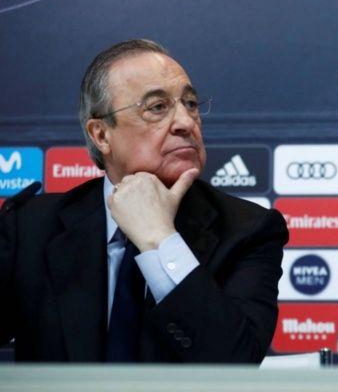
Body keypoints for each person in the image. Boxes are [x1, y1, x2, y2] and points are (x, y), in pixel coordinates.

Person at [0, 39, 288, 363]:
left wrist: (160, 240)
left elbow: (235, 362)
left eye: (191, 104)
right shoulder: (30, 228)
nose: (186, 122)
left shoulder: (248, 230)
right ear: (101, 134)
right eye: (157, 107)